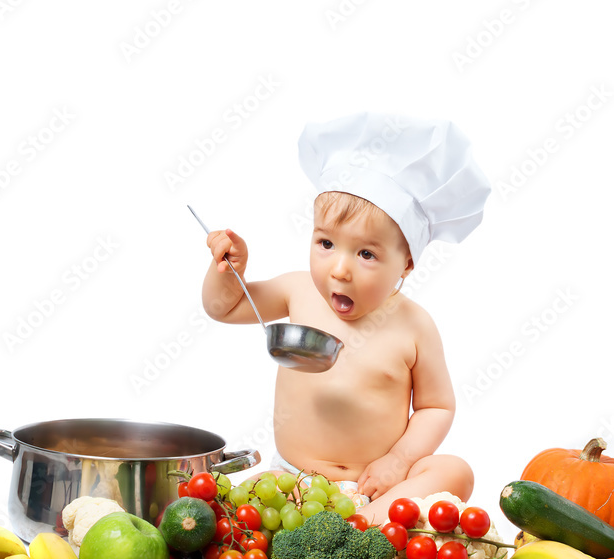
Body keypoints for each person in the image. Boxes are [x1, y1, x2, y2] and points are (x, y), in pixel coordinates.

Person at [200, 112, 491, 523]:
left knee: (454, 471)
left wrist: (398, 460)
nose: (339, 269)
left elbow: (436, 407)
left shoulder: (415, 326)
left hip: (376, 487)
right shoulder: (296, 291)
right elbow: (223, 308)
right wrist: (228, 273)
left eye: (366, 254)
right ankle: (350, 532)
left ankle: (365, 524)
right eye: (326, 243)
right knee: (224, 503)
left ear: (406, 263)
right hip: (291, 482)